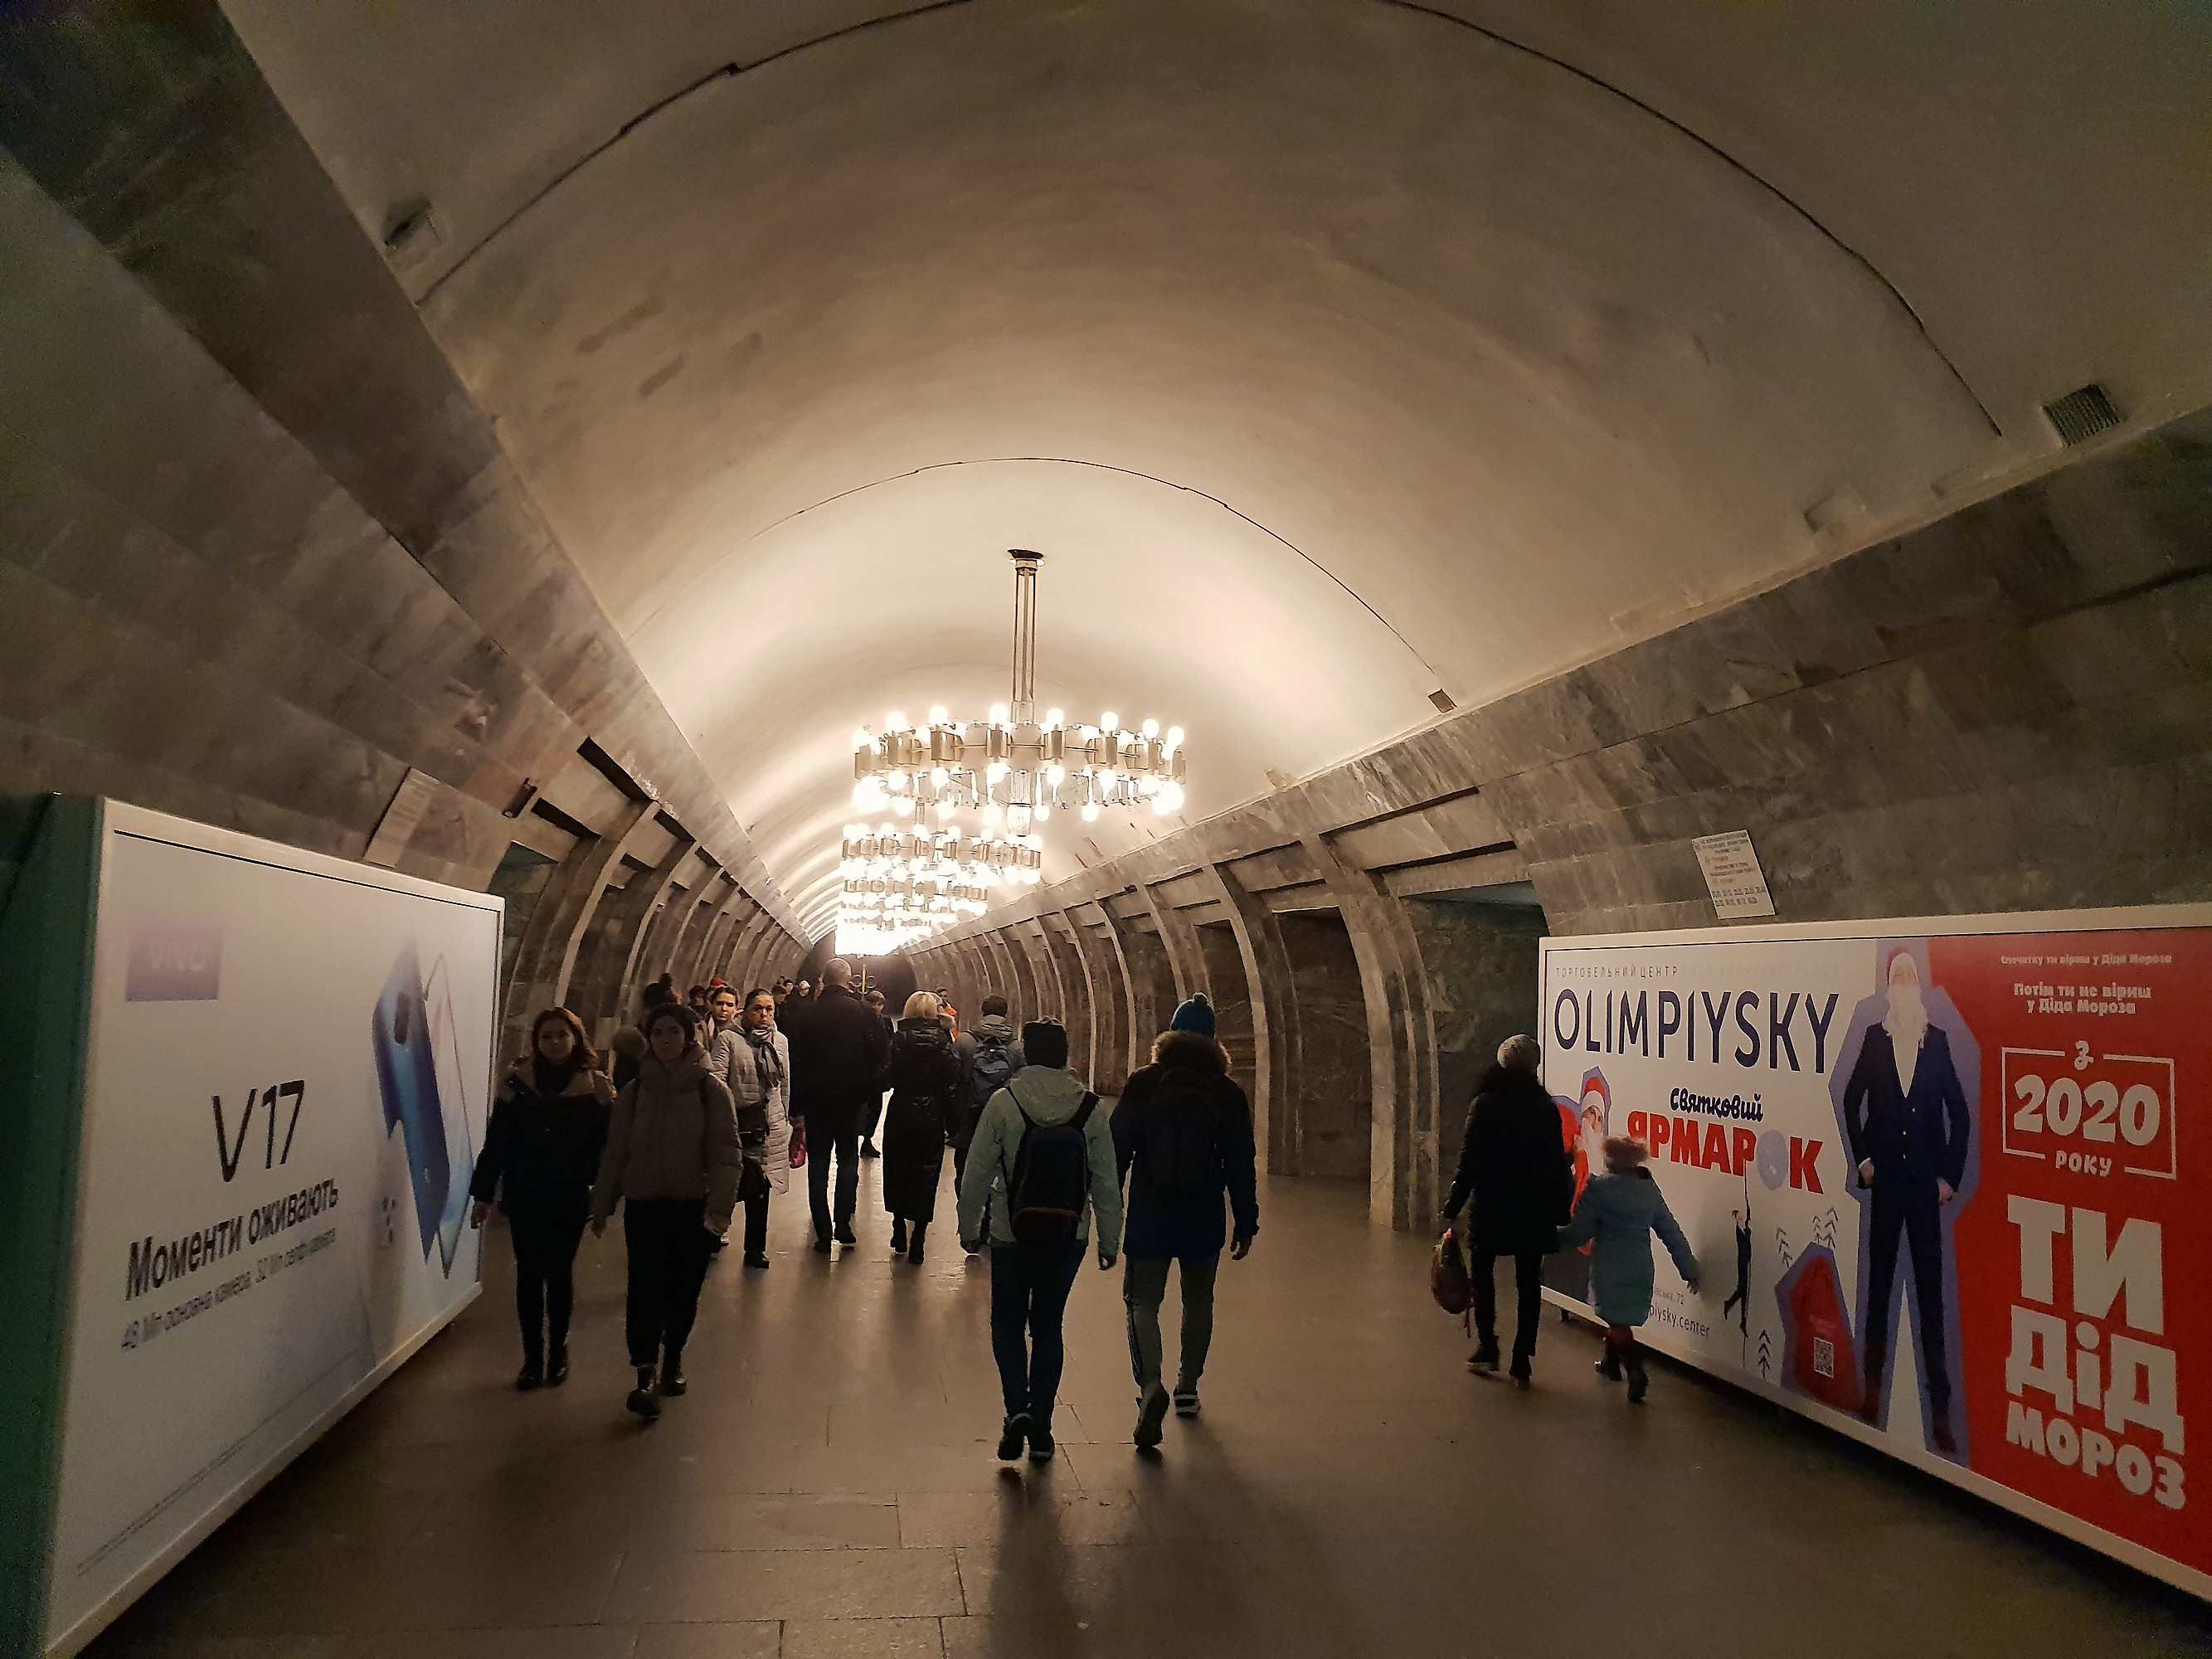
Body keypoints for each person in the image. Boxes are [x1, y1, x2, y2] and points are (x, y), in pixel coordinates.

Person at [958, 1019, 1123, 1464]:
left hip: (1011, 1231)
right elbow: (1106, 1179)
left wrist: (969, 1228)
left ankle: (1016, 1409)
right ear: (1066, 1055)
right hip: (1069, 1233)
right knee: (1048, 1325)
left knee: (1008, 1322)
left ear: (1027, 1055)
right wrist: (1110, 1239)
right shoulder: (1090, 1108)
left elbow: (977, 1171)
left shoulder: (1005, 1102)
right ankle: (1044, 1429)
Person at [1111, 993, 1259, 1447]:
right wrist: (1246, 1221)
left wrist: (1107, 1208)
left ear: (1170, 1036)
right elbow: (1241, 1162)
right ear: (1214, 1042)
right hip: (1203, 1214)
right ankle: (1188, 1387)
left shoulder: (1144, 1083)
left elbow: (1117, 1149)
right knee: (1199, 1301)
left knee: (1142, 1301)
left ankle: (1150, 1386)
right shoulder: (1226, 1092)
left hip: (1150, 1212)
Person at [1840, 947, 1971, 1452]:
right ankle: (1872, 1391)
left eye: (1910, 974)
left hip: (1923, 1189)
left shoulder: (1936, 1042)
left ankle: (1940, 1409)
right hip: (1887, 1185)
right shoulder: (1875, 1039)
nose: (1903, 981)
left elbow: (1959, 1114)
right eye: (1896, 975)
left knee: (1930, 1296)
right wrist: (1864, 1160)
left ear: (1918, 984)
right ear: (1888, 985)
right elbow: (1851, 1099)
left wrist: (1948, 1177)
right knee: (1879, 1288)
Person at [590, 1004, 741, 1419]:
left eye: (673, 1032)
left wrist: (720, 1209)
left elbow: (726, 1155)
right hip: (645, 1204)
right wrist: (602, 1203)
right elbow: (617, 1151)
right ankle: (645, 1371)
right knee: (644, 1289)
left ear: (689, 1037)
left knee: (683, 1290)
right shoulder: (636, 1091)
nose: (665, 1040)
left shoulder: (711, 1091)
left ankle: (672, 1357)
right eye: (657, 1033)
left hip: (692, 1206)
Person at [469, 1009, 613, 1389]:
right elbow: (498, 1142)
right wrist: (483, 1192)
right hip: (526, 1191)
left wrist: (602, 1192)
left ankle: (559, 1349)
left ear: (576, 1038)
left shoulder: (594, 1088)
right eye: (546, 1036)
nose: (554, 1043)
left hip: (569, 1193)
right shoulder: (518, 1084)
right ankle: (532, 1356)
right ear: (536, 1041)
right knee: (529, 1274)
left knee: (560, 1272)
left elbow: (607, 1147)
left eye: (562, 1035)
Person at [1441, 1034, 1576, 1385]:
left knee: (1482, 1277)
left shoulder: (1485, 1104)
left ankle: (1488, 1347)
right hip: (1534, 1205)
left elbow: (1470, 1160)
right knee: (1529, 1283)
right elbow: (1555, 1164)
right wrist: (1561, 1209)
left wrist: (1453, 1204)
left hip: (1492, 1203)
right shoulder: (1544, 1107)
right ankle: (1522, 1359)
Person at [1559, 1136, 1700, 1404]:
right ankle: (1610, 1364)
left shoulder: (1597, 1190)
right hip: (1640, 1267)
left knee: (1617, 1321)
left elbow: (1579, 1233)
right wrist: (1688, 1268)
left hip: (1609, 1268)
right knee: (1618, 1319)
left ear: (1609, 1161)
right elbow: (1671, 1232)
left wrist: (1549, 1237)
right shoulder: (1649, 1192)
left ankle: (1635, 1370)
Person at [785, 958, 888, 1252]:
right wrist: (868, 1088)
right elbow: (880, 1054)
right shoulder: (864, 1013)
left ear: (823, 980)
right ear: (849, 980)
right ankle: (843, 1223)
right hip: (850, 1101)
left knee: (818, 1164)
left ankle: (822, 1230)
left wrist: (796, 1105)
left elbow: (795, 1062)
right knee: (848, 1160)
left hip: (816, 1101)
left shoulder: (806, 1015)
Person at [879, 990, 964, 1264]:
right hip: (931, 1114)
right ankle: (919, 1239)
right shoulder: (943, 1042)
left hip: (902, 1111)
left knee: (897, 1169)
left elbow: (885, 1079)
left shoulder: (898, 1040)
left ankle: (898, 1227)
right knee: (927, 1175)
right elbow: (953, 1078)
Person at [711, 986, 791, 1269]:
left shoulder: (780, 1041)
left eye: (769, 1009)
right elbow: (717, 1082)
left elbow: (784, 1084)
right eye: (758, 1009)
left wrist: (785, 1119)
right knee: (730, 1183)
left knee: (761, 1186)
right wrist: (724, 1119)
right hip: (739, 1123)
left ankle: (755, 1248)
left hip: (768, 1124)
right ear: (746, 1011)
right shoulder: (728, 1039)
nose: (764, 1014)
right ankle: (713, 1231)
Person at [954, 995, 1025, 1203]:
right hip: (1002, 1118)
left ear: (982, 1012)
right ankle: (991, 1213)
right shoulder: (1017, 1048)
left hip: (969, 1117)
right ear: (1006, 1014)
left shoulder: (965, 1041)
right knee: (999, 1168)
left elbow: (953, 1080)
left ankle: (967, 1207)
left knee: (965, 1168)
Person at [859, 987, 893, 1158]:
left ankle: (867, 1139)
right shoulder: (860, 1021)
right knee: (863, 1108)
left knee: (875, 1109)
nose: (877, 1008)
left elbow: (890, 1044)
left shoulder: (885, 1022)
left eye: (880, 1004)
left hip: (877, 1073)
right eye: (874, 1004)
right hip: (864, 1071)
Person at [1723, 1202, 1753, 1335]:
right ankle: (1740, 1317)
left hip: (1745, 1263)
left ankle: (1741, 1319)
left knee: (1743, 1292)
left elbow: (1748, 1217)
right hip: (1743, 1264)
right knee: (1742, 1290)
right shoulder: (1739, 1230)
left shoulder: (1743, 1228)